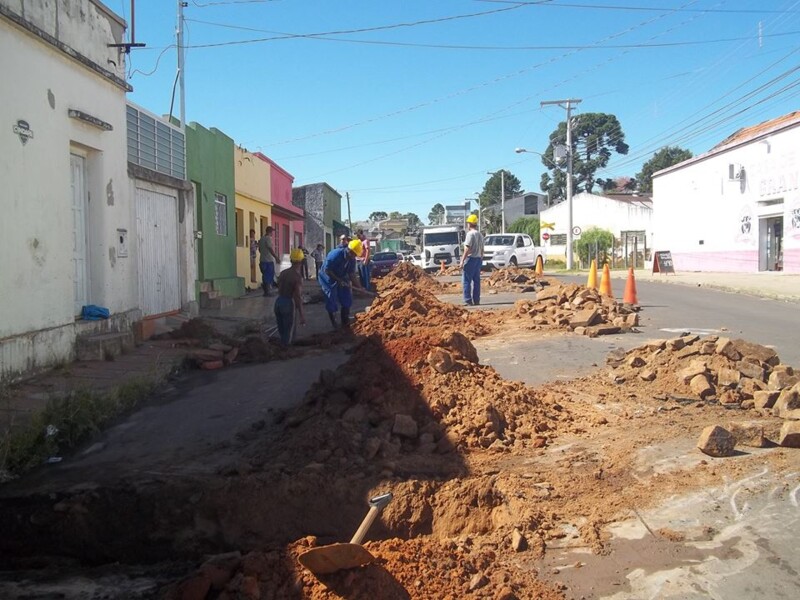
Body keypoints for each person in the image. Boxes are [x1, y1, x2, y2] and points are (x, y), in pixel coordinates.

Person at [318, 239, 367, 329]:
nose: (354, 257)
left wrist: (360, 287)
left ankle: (345, 322)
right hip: (327, 277)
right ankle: (334, 323)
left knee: (346, 296)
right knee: (331, 297)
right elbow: (327, 270)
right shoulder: (335, 255)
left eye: (355, 255)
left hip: (341, 275)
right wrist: (338, 280)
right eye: (353, 254)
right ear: (349, 250)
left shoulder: (352, 259)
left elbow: (352, 274)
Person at [274, 248, 306, 345]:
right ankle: (285, 352)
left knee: (282, 329)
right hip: (288, 303)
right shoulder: (297, 277)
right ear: (301, 261)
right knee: (288, 332)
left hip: (278, 302)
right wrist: (301, 315)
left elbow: (278, 285)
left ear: (291, 260)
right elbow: (297, 297)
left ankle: (282, 346)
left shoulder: (283, 273)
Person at [459, 214, 484, 306]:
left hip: (470, 259)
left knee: (466, 280)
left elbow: (467, 249)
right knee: (476, 281)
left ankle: (468, 300)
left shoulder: (470, 234)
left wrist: (462, 261)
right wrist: (480, 259)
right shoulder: (480, 234)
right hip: (478, 259)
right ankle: (476, 300)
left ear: (469, 224)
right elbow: (482, 250)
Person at [258, 226, 280, 297]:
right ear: (270, 232)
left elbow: (260, 250)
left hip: (262, 260)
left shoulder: (261, 239)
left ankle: (266, 292)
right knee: (268, 275)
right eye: (272, 232)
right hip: (268, 261)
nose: (272, 233)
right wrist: (276, 257)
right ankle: (268, 292)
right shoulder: (268, 239)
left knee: (264, 276)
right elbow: (270, 248)